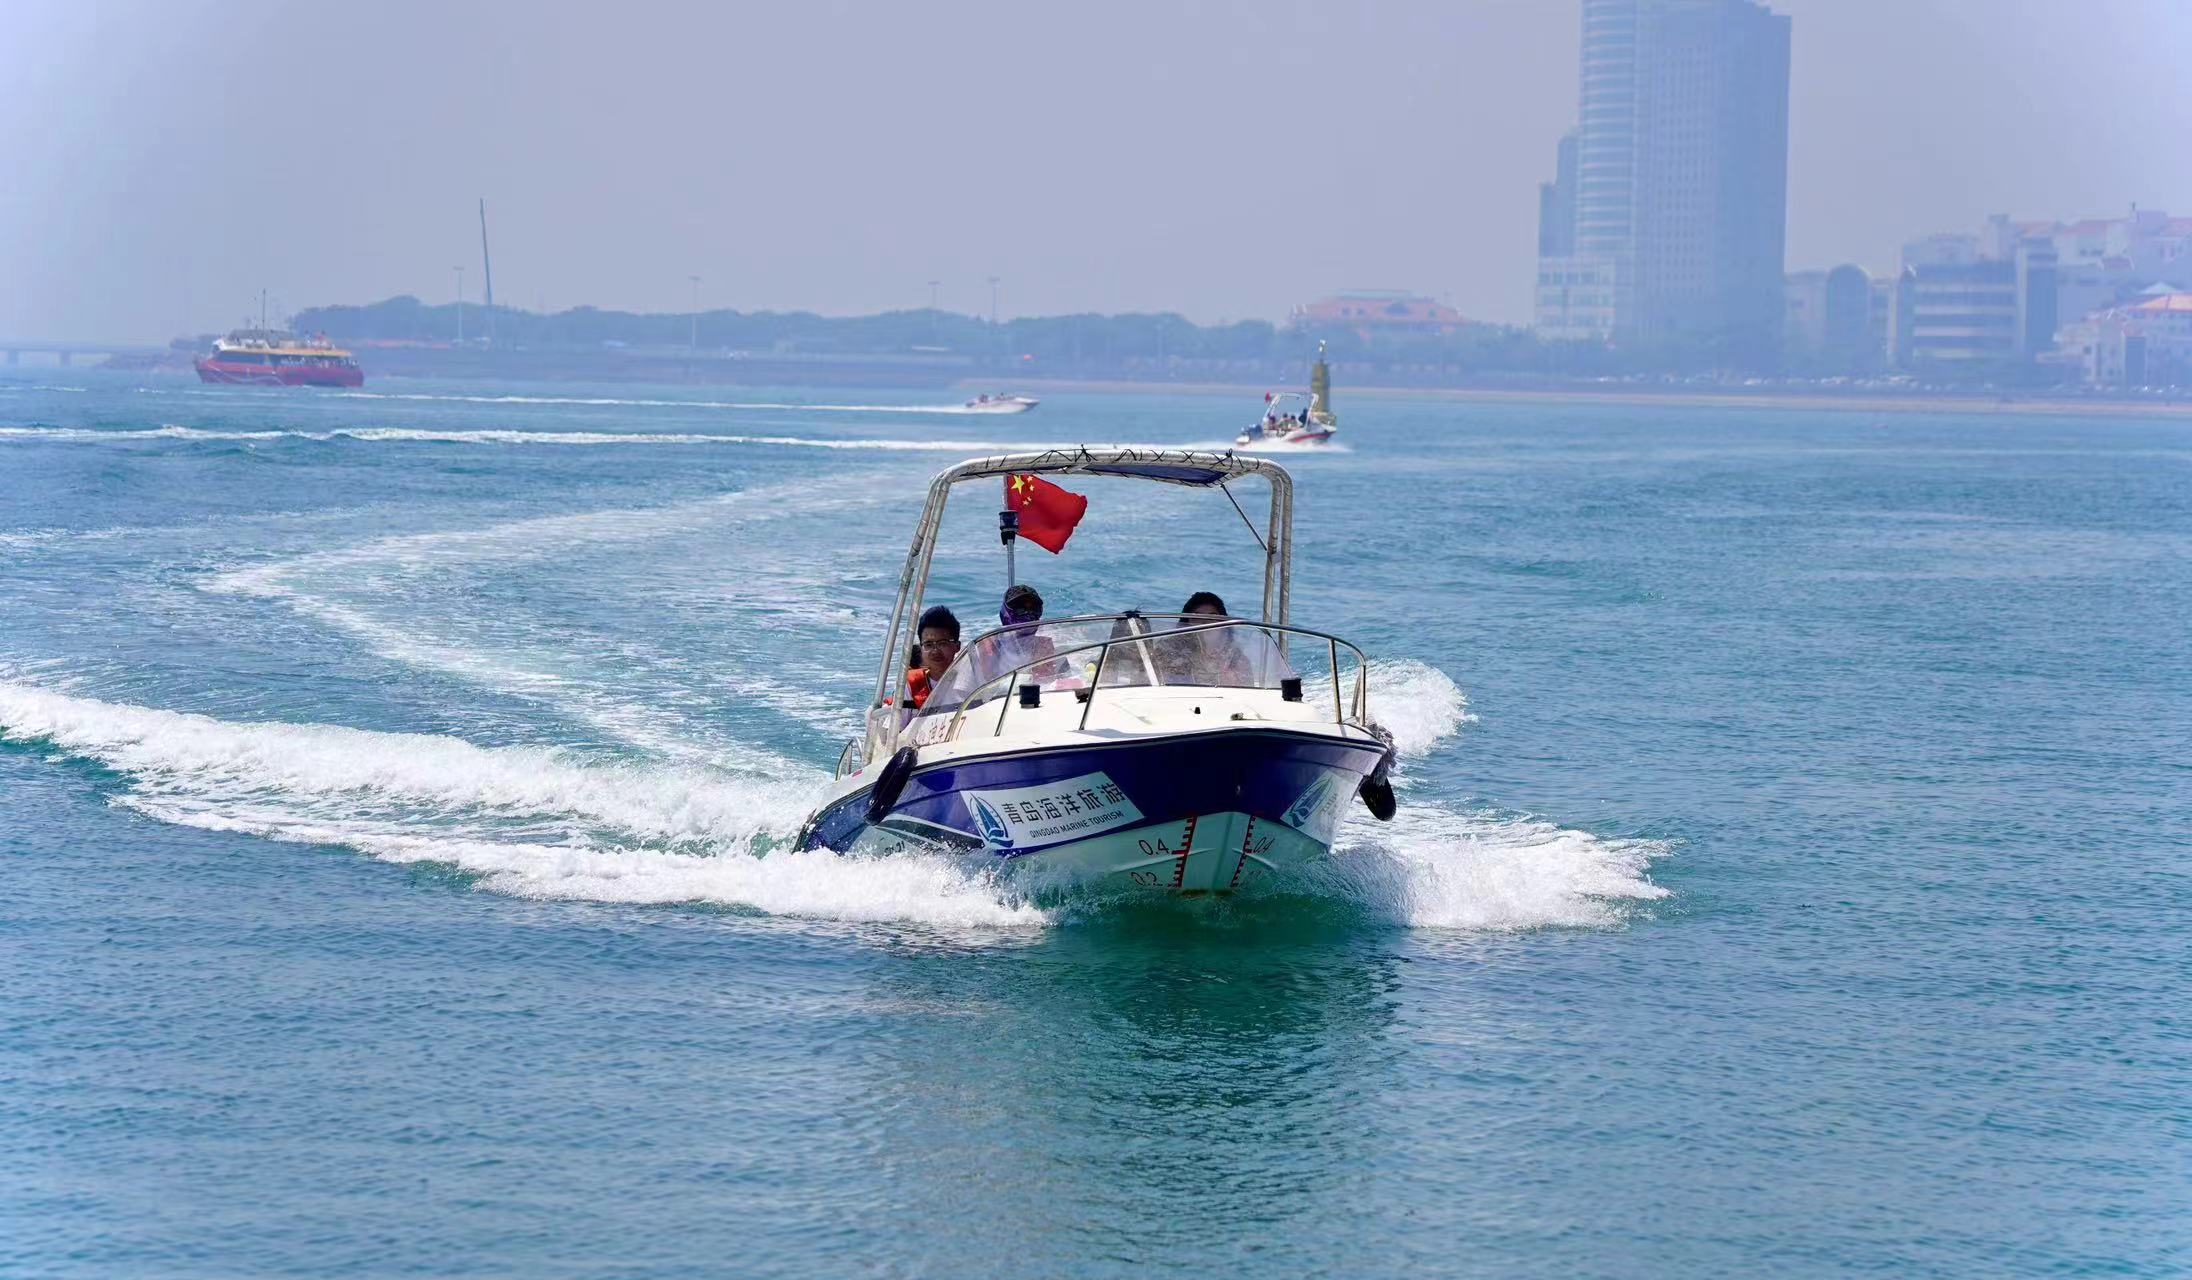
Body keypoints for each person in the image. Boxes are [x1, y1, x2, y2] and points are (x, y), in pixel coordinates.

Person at [904, 605, 960, 711]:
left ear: (957, 646)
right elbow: (897, 727)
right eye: (928, 644)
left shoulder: (972, 681)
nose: (935, 651)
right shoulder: (911, 686)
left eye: (942, 643)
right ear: (921, 649)